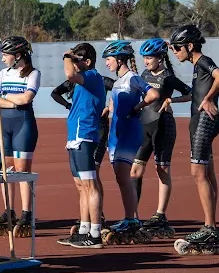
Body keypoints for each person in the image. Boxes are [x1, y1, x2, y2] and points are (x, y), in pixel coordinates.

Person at [169, 24, 219, 251]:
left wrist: (208, 99)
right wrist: (173, 101)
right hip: (200, 122)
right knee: (208, 173)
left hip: (205, 122)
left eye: (177, 48)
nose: (175, 53)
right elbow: (194, 95)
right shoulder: (197, 67)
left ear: (189, 45)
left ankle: (209, 228)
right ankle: (211, 226)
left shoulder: (203, 61)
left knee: (197, 173)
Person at [101, 41, 160, 244]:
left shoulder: (132, 78)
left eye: (108, 59)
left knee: (123, 177)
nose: (106, 63)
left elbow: (153, 94)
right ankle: (129, 217)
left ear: (119, 59)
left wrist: (138, 107)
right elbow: (113, 103)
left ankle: (131, 219)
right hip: (116, 133)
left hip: (129, 133)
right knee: (120, 177)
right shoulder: (118, 81)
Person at [133, 38, 192, 237]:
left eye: (149, 57)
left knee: (161, 170)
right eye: (144, 58)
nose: (146, 61)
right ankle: (132, 215)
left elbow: (190, 93)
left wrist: (171, 100)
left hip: (163, 126)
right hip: (144, 125)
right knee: (135, 171)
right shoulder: (143, 74)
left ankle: (160, 215)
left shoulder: (168, 77)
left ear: (160, 58)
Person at [55, 43, 107, 248]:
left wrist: (67, 56)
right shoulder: (83, 82)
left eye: (78, 60)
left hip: (84, 136)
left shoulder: (92, 76)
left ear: (87, 62)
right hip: (75, 136)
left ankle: (95, 233)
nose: (73, 64)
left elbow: (69, 74)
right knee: (81, 186)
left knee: (90, 185)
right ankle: (84, 229)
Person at [0, 36, 40, 237]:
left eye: (5, 55)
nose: (2, 59)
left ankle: (27, 213)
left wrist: (4, 98)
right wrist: (13, 102)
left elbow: (27, 98)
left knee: (22, 171)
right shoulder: (3, 73)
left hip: (23, 125)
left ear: (17, 56)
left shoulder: (33, 74)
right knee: (5, 171)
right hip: (3, 124)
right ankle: (9, 210)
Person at [52, 69, 115, 226]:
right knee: (82, 180)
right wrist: (69, 105)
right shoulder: (72, 83)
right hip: (80, 130)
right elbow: (55, 93)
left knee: (94, 173)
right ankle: (88, 218)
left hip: (97, 128)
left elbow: (117, 90)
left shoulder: (100, 80)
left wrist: (108, 107)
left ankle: (98, 216)